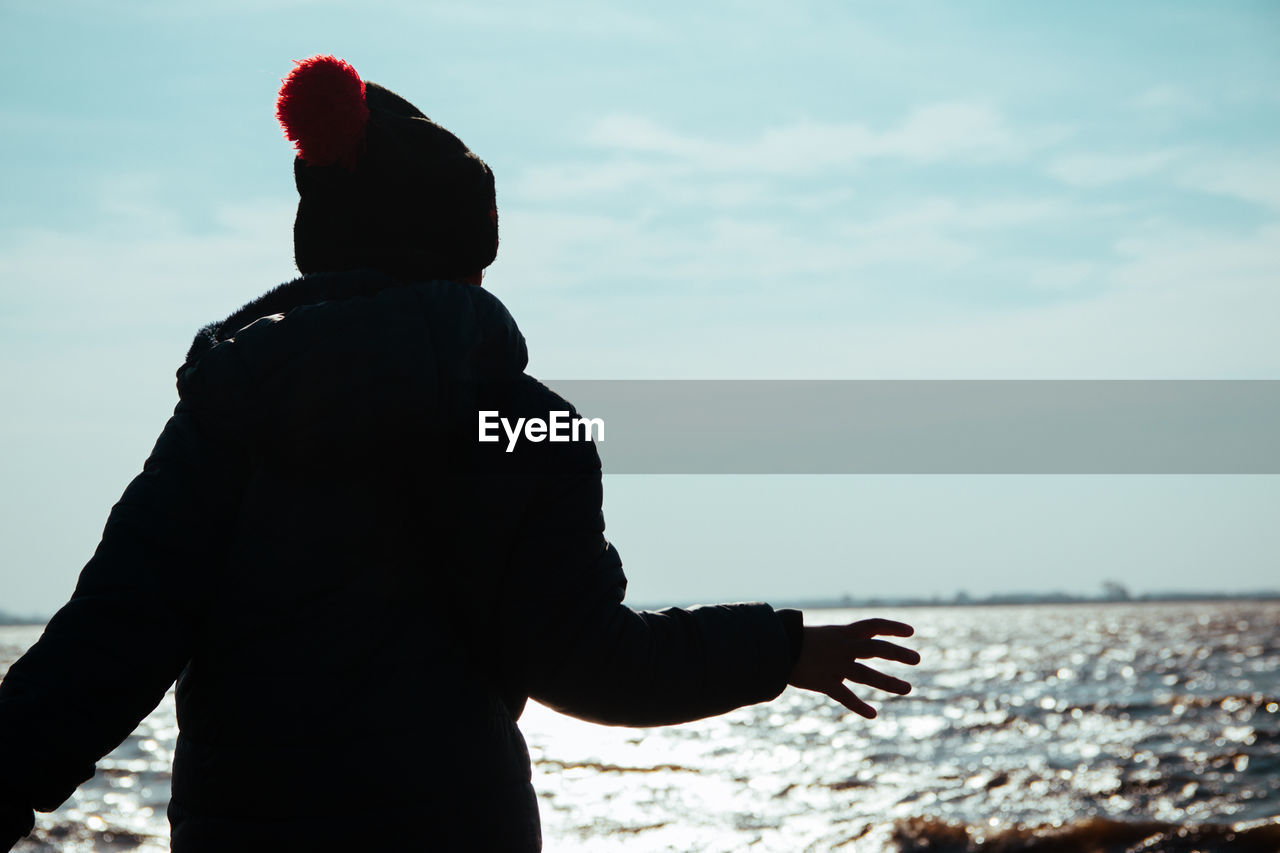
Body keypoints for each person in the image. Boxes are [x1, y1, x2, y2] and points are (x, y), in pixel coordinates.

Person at [0, 55, 919, 851]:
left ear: (317, 246)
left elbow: (106, 645)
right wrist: (779, 648)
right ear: (469, 257)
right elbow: (592, 665)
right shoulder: (526, 427)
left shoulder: (226, 413)